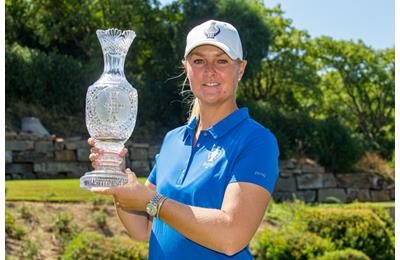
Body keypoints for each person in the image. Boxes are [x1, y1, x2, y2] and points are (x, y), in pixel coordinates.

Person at [89, 19, 279, 259]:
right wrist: (119, 181)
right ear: (186, 67)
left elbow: (232, 236)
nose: (209, 70)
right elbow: (143, 229)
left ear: (240, 69)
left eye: (221, 60)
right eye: (199, 61)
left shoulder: (257, 140)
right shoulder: (173, 140)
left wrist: (155, 202)